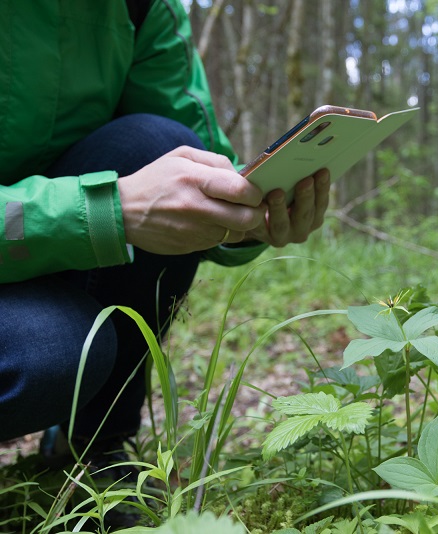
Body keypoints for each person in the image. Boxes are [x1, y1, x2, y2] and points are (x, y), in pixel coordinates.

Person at [0, 0, 329, 462]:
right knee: (47, 355)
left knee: (163, 146)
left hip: (37, 256)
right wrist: (106, 210)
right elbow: (113, 207)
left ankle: (94, 447)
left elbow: (196, 167)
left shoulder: (141, 6)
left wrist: (251, 215)